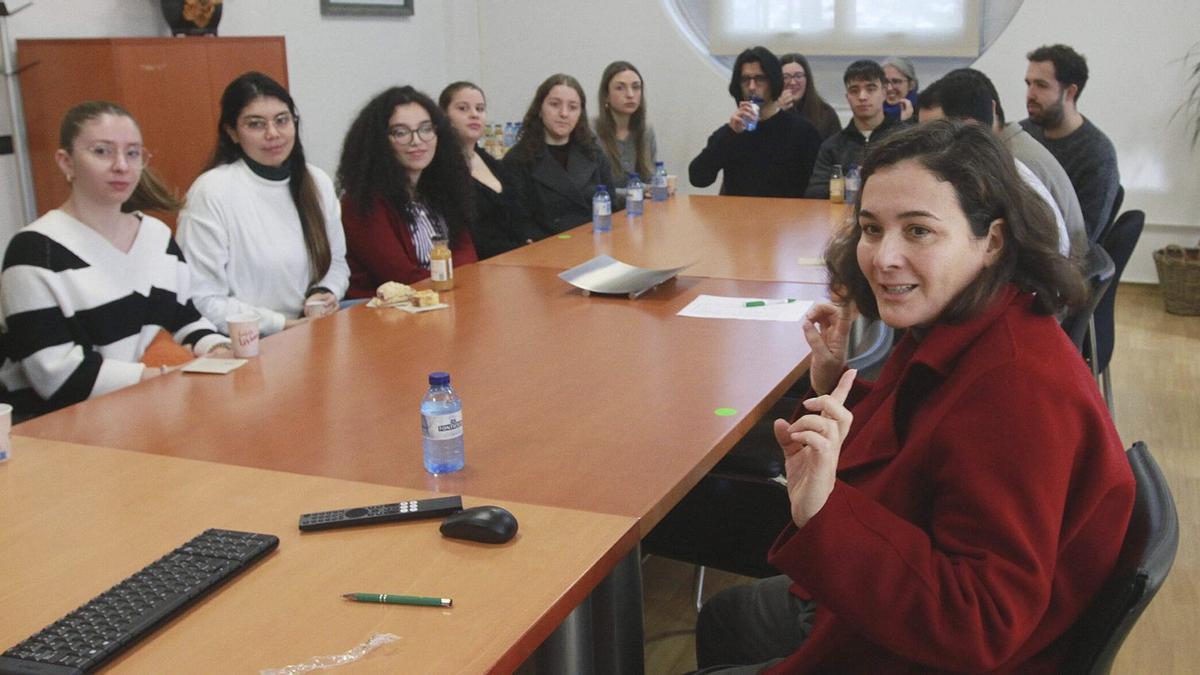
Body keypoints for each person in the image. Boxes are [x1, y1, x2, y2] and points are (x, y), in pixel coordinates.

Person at [695, 121, 1134, 673]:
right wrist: (835, 383)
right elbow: (928, 428)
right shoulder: (975, 316)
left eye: (919, 231)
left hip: (939, 653)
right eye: (872, 229)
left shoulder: (1019, 392)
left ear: (991, 241)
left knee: (730, 618)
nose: (882, 257)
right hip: (913, 598)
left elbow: (981, 622)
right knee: (726, 617)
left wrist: (824, 512)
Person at [0, 101, 231, 419]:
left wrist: (218, 350)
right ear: (65, 161)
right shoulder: (34, 251)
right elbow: (58, 379)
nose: (121, 166)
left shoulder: (157, 236)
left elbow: (183, 318)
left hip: (146, 410)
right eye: (102, 152)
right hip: (60, 432)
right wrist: (166, 376)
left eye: (133, 153)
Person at [178, 71, 349, 336]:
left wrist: (324, 292)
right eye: (256, 124)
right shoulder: (211, 191)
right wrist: (282, 324)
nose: (273, 134)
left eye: (282, 120)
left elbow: (337, 263)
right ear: (232, 132)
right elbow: (202, 297)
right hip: (246, 339)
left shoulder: (316, 181)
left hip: (312, 329)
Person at [917, 71, 1082, 258]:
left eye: (936, 133)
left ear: (968, 127)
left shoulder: (1012, 165)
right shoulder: (1007, 149)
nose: (929, 147)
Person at [337, 86, 476, 295]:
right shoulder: (362, 201)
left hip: (442, 299)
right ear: (379, 141)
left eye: (426, 129)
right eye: (401, 132)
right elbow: (401, 276)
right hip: (385, 313)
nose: (417, 141)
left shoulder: (440, 190)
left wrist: (456, 283)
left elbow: (467, 253)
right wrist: (454, 283)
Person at [689, 46, 822, 197]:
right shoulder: (731, 133)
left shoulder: (802, 132)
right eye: (745, 80)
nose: (752, 87)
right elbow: (698, 178)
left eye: (760, 79)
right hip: (738, 216)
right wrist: (729, 134)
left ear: (773, 82)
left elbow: (818, 189)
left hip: (787, 217)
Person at [1020, 44, 1120, 241]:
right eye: (1028, 83)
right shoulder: (1022, 135)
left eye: (1041, 85)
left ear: (1070, 92)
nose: (1030, 95)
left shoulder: (1097, 154)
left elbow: (1083, 239)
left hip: (1053, 260)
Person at [503, 73, 622, 237]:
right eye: (554, 104)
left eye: (573, 107)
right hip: (545, 252)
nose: (564, 113)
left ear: (580, 113)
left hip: (595, 244)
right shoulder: (517, 160)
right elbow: (519, 223)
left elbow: (612, 209)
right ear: (539, 108)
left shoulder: (594, 153)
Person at [439, 82, 536, 260]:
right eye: (463, 108)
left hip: (517, 259)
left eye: (480, 108)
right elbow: (469, 235)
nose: (474, 115)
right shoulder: (441, 168)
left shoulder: (489, 160)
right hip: (481, 265)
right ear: (443, 116)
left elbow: (518, 211)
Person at [805, 60, 901, 198]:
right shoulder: (832, 146)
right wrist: (853, 183)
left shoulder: (904, 139)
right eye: (854, 90)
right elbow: (815, 193)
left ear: (884, 92)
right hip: (842, 216)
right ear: (847, 97)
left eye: (871, 88)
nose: (862, 97)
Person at [593, 61, 658, 182]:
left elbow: (651, 178)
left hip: (643, 201)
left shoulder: (646, 131)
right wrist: (640, 191)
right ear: (606, 95)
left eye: (636, 87)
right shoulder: (591, 131)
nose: (630, 94)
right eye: (620, 88)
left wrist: (661, 186)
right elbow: (592, 187)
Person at [778, 53, 841, 140]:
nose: (792, 82)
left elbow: (837, 150)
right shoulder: (767, 112)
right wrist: (777, 114)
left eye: (798, 76)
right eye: (785, 77)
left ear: (807, 79)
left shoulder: (825, 113)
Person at [881, 56, 919, 122]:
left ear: (911, 85)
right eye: (885, 82)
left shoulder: (922, 113)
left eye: (896, 81)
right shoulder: (874, 112)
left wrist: (907, 122)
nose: (889, 88)